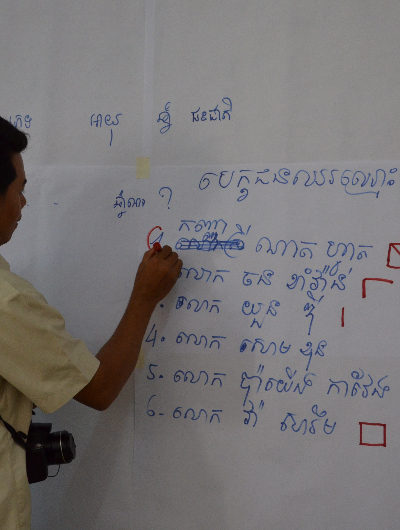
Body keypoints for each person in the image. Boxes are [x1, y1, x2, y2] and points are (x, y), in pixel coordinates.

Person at [0, 116, 182, 529]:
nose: (24, 203)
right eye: (20, 189)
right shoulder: (7, 301)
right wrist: (144, 298)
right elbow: (99, 389)